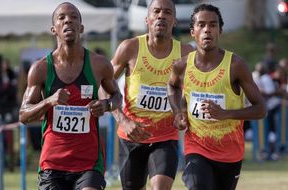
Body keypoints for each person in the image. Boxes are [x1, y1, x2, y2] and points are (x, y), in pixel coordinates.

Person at [19, 2, 122, 190]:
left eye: (74, 17)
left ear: (81, 28)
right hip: (53, 163)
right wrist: (49, 101)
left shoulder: (99, 65)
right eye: (62, 18)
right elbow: (24, 115)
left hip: (89, 162)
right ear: (54, 29)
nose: (68, 21)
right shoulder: (40, 69)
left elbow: (117, 96)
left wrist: (106, 105)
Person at [167, 4, 266, 190]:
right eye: (201, 25)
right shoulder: (181, 66)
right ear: (192, 31)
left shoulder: (236, 66)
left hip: (230, 153)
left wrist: (225, 114)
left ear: (220, 30)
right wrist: (178, 111)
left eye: (212, 25)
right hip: (196, 147)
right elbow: (172, 86)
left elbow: (261, 109)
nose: (207, 30)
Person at [109, 0, 193, 189]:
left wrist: (182, 112)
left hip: (165, 138)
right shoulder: (130, 47)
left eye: (167, 12)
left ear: (175, 21)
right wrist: (123, 120)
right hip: (131, 136)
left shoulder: (186, 53)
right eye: (156, 11)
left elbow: (194, 90)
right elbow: (104, 85)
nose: (161, 16)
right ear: (147, 19)